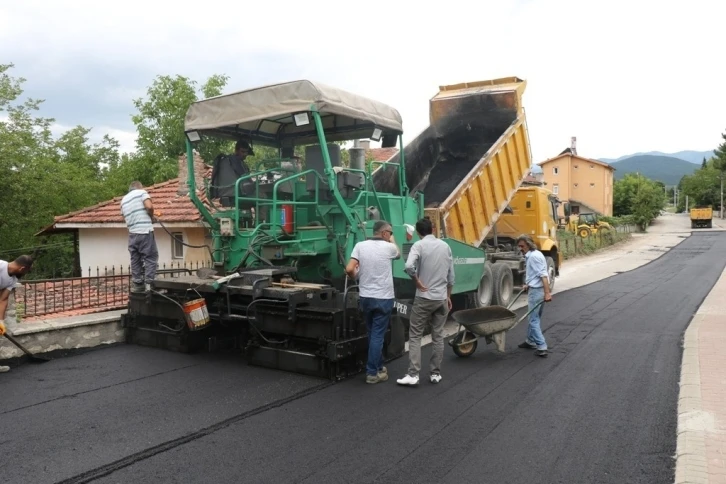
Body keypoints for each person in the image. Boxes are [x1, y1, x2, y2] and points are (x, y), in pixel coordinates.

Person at [397, 218, 455, 386]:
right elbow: (451, 276)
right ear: (433, 229)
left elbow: (408, 266)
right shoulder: (445, 246)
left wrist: (416, 281)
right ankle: (435, 373)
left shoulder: (419, 245)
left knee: (415, 335)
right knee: (438, 336)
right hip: (441, 298)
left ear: (417, 232)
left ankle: (413, 374)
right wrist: (448, 296)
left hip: (424, 298)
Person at [345, 221, 400, 384]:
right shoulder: (389, 247)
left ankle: (380, 365)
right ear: (384, 233)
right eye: (389, 233)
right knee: (377, 334)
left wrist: (355, 276)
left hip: (366, 297)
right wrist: (393, 240)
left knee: (373, 333)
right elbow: (398, 254)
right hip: (383, 297)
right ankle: (372, 373)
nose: (390, 235)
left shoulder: (360, 246)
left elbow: (349, 269)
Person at [516, 234, 553, 357]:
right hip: (536, 288)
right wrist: (528, 284)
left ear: (529, 244)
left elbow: (543, 275)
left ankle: (542, 346)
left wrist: (547, 293)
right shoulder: (534, 254)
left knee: (533, 320)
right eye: (519, 246)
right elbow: (535, 274)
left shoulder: (533, 257)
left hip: (537, 292)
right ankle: (530, 341)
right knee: (535, 317)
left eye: (522, 246)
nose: (520, 248)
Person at [121, 181, 159, 293]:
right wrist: (151, 217)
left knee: (135, 259)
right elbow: (149, 206)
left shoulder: (123, 200)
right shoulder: (142, 192)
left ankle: (138, 284)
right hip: (144, 231)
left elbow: (124, 217)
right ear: (139, 187)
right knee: (150, 257)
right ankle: (150, 284)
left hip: (132, 234)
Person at [0, 255, 34, 373]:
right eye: (26, 271)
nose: (25, 274)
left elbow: (3, 300)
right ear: (22, 268)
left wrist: (1, 321)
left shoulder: (13, 280)